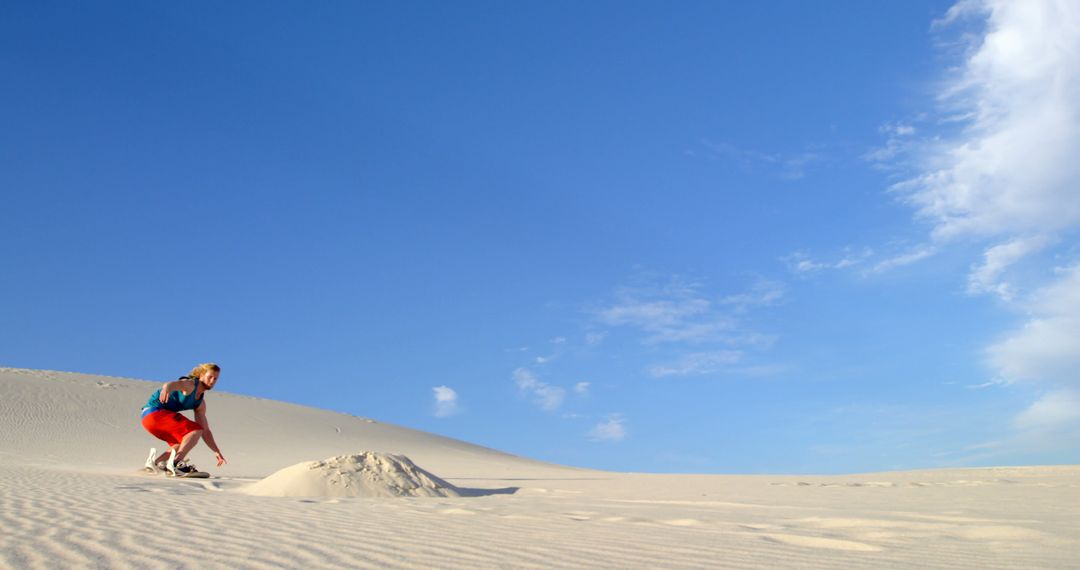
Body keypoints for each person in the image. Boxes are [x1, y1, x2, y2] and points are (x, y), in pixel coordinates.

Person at [140, 363, 228, 476]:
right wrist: (166, 388)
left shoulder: (200, 403)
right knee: (194, 430)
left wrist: (216, 451)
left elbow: (205, 431)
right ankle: (176, 463)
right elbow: (171, 384)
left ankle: (156, 464)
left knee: (181, 442)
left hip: (149, 419)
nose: (212, 381)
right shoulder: (190, 384)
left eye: (215, 378)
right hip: (154, 413)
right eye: (209, 377)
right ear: (201, 375)